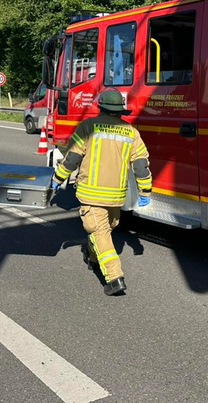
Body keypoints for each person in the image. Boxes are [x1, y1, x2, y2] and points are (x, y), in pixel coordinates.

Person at [51, 88, 152, 296]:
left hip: (91, 195)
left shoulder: (89, 127)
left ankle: (115, 278)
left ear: (101, 107)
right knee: (103, 231)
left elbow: (72, 158)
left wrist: (58, 178)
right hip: (116, 197)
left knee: (100, 233)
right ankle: (92, 257)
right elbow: (141, 165)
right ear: (119, 111)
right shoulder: (131, 132)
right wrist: (145, 191)